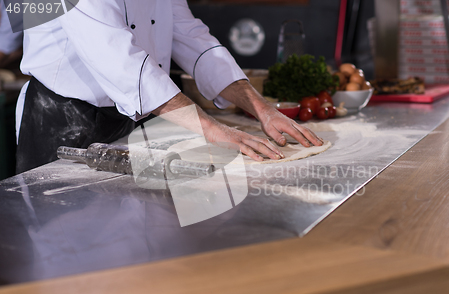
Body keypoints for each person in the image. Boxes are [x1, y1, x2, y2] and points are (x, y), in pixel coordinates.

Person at [15, 0, 323, 173]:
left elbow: (193, 38)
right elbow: (122, 62)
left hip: (129, 118)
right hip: (60, 117)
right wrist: (216, 131)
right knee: (63, 247)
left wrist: (262, 109)